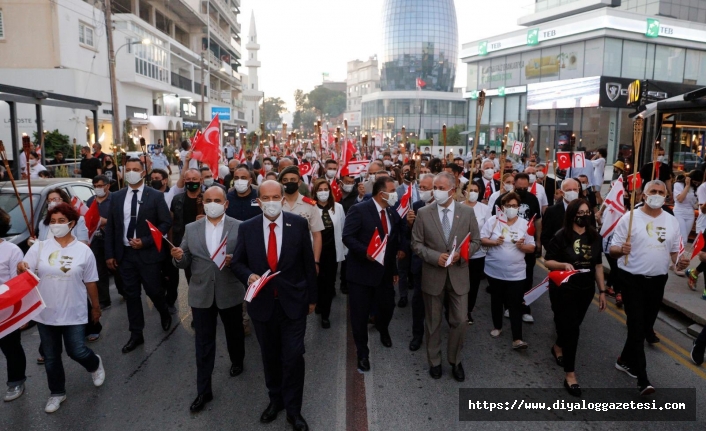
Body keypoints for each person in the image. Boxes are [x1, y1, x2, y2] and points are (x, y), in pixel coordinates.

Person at [231, 180, 317, 431]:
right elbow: (237, 263)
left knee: (293, 356)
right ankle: (275, 400)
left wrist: (313, 298)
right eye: (265, 198)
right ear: (258, 201)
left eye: (275, 197)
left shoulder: (298, 224)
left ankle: (294, 411)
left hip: (293, 304)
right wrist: (249, 276)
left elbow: (307, 264)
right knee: (270, 357)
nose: (271, 202)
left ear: (282, 198)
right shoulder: (247, 228)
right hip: (262, 305)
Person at [18, 203, 105, 413]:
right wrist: (22, 266)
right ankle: (57, 393)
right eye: (53, 221)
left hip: (74, 310)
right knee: (51, 355)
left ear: (72, 223)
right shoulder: (40, 247)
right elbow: (24, 268)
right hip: (46, 312)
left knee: (77, 350)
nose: (56, 225)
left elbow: (91, 281)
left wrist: (96, 307)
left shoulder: (83, 251)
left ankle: (94, 364)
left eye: (61, 221)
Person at [609, 180, 689, 395]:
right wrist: (621, 249)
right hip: (632, 279)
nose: (656, 195)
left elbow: (674, 252)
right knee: (636, 325)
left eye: (661, 192)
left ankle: (624, 359)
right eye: (652, 191)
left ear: (666, 196)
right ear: (643, 195)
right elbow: (613, 249)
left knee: (644, 327)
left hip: (658, 281)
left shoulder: (672, 221)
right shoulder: (630, 218)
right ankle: (643, 379)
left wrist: (679, 261)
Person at [170, 186, 245, 412]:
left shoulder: (240, 227)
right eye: (208, 200)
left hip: (229, 291)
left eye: (217, 200)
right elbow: (184, 260)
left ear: (226, 203)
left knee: (234, 332)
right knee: (203, 343)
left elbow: (246, 258)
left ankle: (238, 360)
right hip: (201, 293)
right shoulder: (192, 229)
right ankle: (204, 391)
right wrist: (178, 258)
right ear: (203, 202)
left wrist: (235, 260)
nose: (212, 203)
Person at [411, 172, 481, 381]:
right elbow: (416, 244)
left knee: (460, 321)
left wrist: (462, 255)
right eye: (435, 187)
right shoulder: (424, 213)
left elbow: (476, 241)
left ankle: (455, 359)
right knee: (433, 322)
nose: (437, 191)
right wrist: (434, 257)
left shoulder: (466, 213)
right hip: (433, 276)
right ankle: (435, 361)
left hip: (458, 276)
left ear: (452, 190)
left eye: (441, 188)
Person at [104, 158, 173, 354]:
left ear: (144, 173)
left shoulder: (155, 196)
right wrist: (110, 254)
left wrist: (146, 240)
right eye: (128, 169)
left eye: (136, 169)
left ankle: (163, 310)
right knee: (132, 295)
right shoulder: (117, 197)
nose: (131, 172)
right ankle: (136, 334)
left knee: (153, 290)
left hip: (148, 254)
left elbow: (165, 223)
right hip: (125, 255)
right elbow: (111, 228)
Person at [544, 199, 607, 396]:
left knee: (573, 325)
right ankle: (570, 374)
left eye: (587, 212)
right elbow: (548, 261)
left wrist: (602, 291)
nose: (584, 216)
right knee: (572, 329)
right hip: (564, 287)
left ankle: (558, 346)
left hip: (585, 289)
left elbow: (597, 265)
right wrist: (562, 265)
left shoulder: (595, 237)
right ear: (572, 214)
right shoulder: (561, 236)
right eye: (580, 212)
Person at [342, 177, 405, 372]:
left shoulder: (392, 213)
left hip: (384, 273)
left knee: (387, 307)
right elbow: (347, 237)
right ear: (381, 193)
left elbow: (392, 243)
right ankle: (362, 353)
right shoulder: (359, 210)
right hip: (361, 274)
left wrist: (394, 269)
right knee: (359, 316)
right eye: (393, 190)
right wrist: (365, 252)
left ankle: (382, 328)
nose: (396, 194)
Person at [481, 192, 535, 350]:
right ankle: (497, 326)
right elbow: (482, 239)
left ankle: (517, 338)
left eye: (514, 206)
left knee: (515, 304)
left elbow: (532, 247)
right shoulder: (493, 221)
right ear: (502, 207)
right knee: (496, 300)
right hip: (494, 270)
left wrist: (522, 246)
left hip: (516, 273)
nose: (511, 208)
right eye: (508, 206)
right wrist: (493, 242)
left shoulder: (525, 224)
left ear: (519, 207)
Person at [0, 208, 27, 402]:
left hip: (6, 309)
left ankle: (16, 381)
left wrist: (21, 314)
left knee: (11, 348)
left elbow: (15, 285)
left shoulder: (11, 250)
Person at [86, 175, 124, 310]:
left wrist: (105, 222)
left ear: (108, 186)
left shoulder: (116, 199)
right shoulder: (90, 201)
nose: (98, 189)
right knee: (99, 270)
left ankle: (124, 290)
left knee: (116, 267)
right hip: (96, 240)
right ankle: (104, 300)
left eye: (100, 186)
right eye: (95, 186)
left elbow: (121, 219)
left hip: (112, 239)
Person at [312, 178, 346, 328]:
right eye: (320, 190)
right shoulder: (310, 207)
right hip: (316, 252)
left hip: (332, 252)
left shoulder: (338, 208)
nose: (323, 192)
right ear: (315, 192)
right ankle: (319, 303)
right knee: (317, 282)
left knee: (328, 284)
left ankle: (326, 314)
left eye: (326, 189)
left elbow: (343, 228)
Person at [278, 166, 323, 266]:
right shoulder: (275, 203)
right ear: (281, 183)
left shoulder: (310, 204)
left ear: (299, 183)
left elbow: (317, 235)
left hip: (304, 257)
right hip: (279, 257)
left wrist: (315, 261)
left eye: (293, 180)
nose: (289, 182)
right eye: (285, 180)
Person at [170, 168, 205, 288]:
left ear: (201, 180)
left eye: (194, 179)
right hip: (185, 243)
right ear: (184, 181)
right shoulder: (177, 199)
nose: (191, 182)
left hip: (204, 244)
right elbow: (172, 222)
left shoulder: (208, 198)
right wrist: (173, 244)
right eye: (188, 179)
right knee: (190, 277)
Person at [462, 182, 490, 324]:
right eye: (470, 190)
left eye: (475, 190)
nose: (473, 192)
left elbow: (487, 230)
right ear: (464, 192)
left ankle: (468, 311)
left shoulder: (485, 209)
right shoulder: (458, 207)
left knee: (473, 284)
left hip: (477, 253)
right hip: (460, 253)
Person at [541, 179, 581, 253]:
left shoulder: (586, 209)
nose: (572, 192)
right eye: (569, 190)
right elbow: (545, 236)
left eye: (575, 189)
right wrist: (553, 251)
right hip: (559, 255)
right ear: (562, 192)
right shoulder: (551, 211)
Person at [673, 171, 700, 259]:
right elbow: (680, 199)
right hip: (679, 212)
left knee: (684, 238)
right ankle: (678, 260)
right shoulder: (678, 185)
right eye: (695, 182)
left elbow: (695, 203)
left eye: (697, 183)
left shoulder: (695, 188)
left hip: (690, 213)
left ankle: (676, 261)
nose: (696, 184)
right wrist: (687, 186)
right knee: (683, 239)